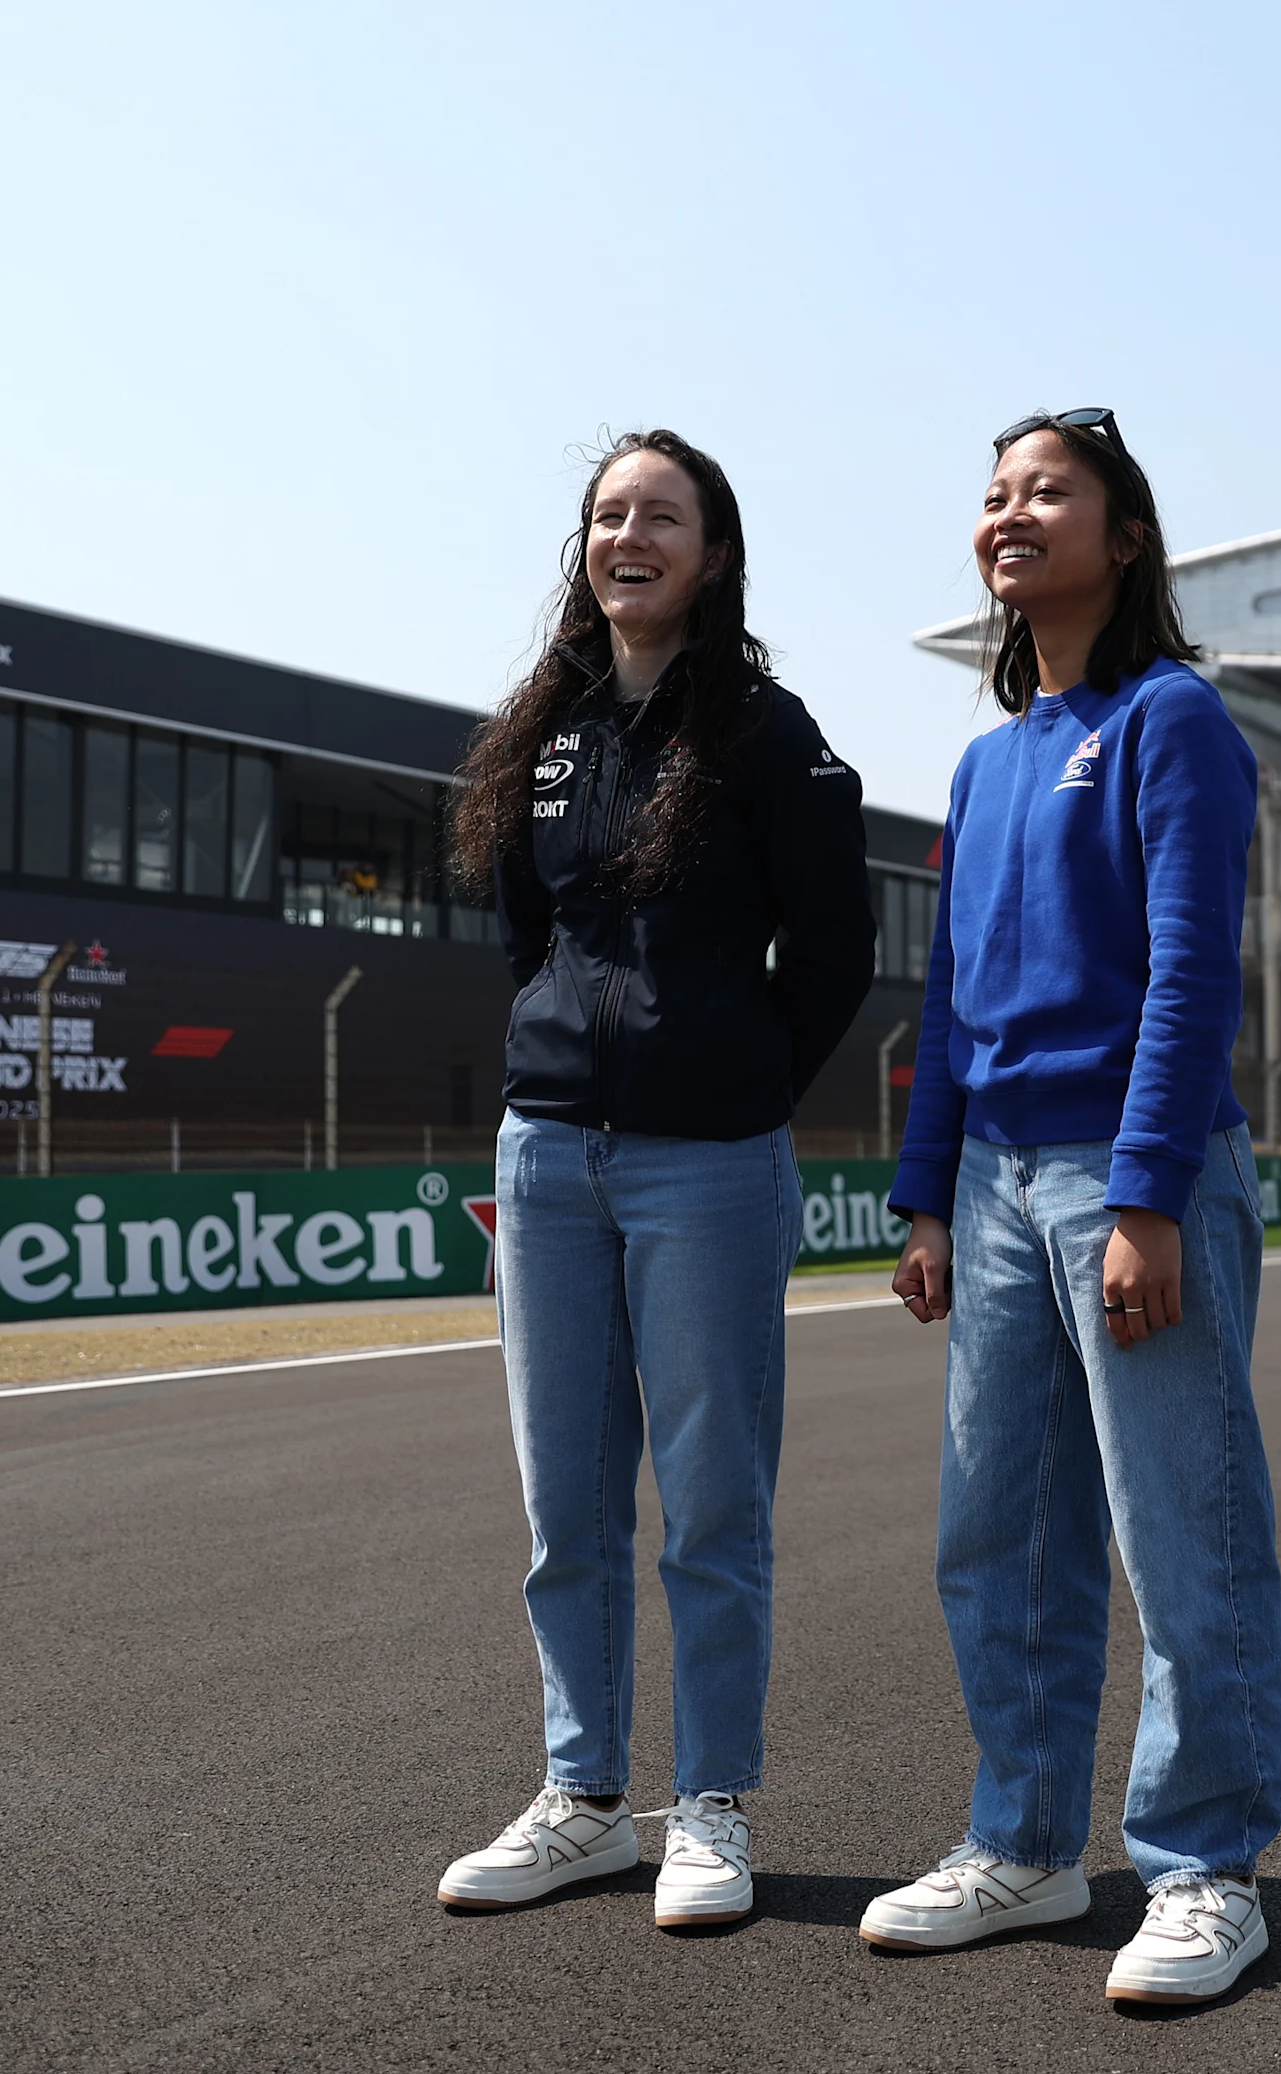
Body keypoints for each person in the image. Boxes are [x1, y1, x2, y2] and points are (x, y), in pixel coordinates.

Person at [868, 407, 1281, 2007]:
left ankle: (1204, 1870)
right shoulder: (985, 765)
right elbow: (953, 999)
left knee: (1182, 1533)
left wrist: (1148, 1195)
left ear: (1126, 537)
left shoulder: (1176, 718)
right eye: (995, 494)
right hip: (988, 1187)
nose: (1011, 512)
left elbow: (1190, 971)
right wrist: (924, 1197)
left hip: (1128, 1174)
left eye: (1049, 490)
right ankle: (1026, 1846)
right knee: (999, 1537)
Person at [432, 431, 874, 1927]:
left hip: (711, 1167)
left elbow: (834, 950)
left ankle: (714, 1805)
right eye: (607, 514)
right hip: (550, 1154)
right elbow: (527, 935)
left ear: (713, 551)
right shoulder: (542, 728)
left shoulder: (764, 729)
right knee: (566, 1509)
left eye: (662, 515)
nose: (630, 535)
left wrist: (734, 1082)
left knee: (709, 1509)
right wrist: (563, 1063)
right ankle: (583, 1801)